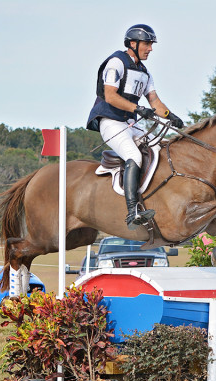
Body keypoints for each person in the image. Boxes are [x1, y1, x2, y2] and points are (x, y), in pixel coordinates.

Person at [87, 24, 184, 230]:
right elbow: (111, 95)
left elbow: (155, 103)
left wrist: (171, 117)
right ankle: (133, 211)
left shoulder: (144, 72)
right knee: (135, 156)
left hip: (130, 124)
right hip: (111, 122)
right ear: (133, 43)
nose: (150, 48)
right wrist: (138, 109)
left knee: (159, 149)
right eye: (147, 43)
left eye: (151, 44)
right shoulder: (116, 63)